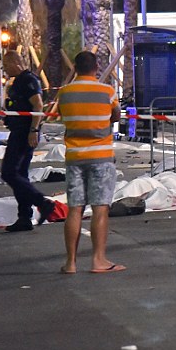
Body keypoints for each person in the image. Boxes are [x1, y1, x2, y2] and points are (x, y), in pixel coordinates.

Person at [58, 50, 124, 274]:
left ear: (75, 68)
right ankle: (98, 260)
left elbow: (62, 116)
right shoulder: (107, 91)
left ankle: (70, 263)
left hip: (74, 157)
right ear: (96, 68)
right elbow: (116, 115)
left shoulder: (64, 93)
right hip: (101, 157)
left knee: (74, 209)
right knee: (100, 208)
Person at [0, 51, 55, 232]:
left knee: (9, 172)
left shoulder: (28, 80)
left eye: (6, 65)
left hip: (24, 132)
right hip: (18, 130)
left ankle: (42, 202)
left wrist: (34, 130)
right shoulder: (18, 81)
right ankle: (24, 217)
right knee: (20, 175)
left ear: (15, 63)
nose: (5, 69)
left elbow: (38, 105)